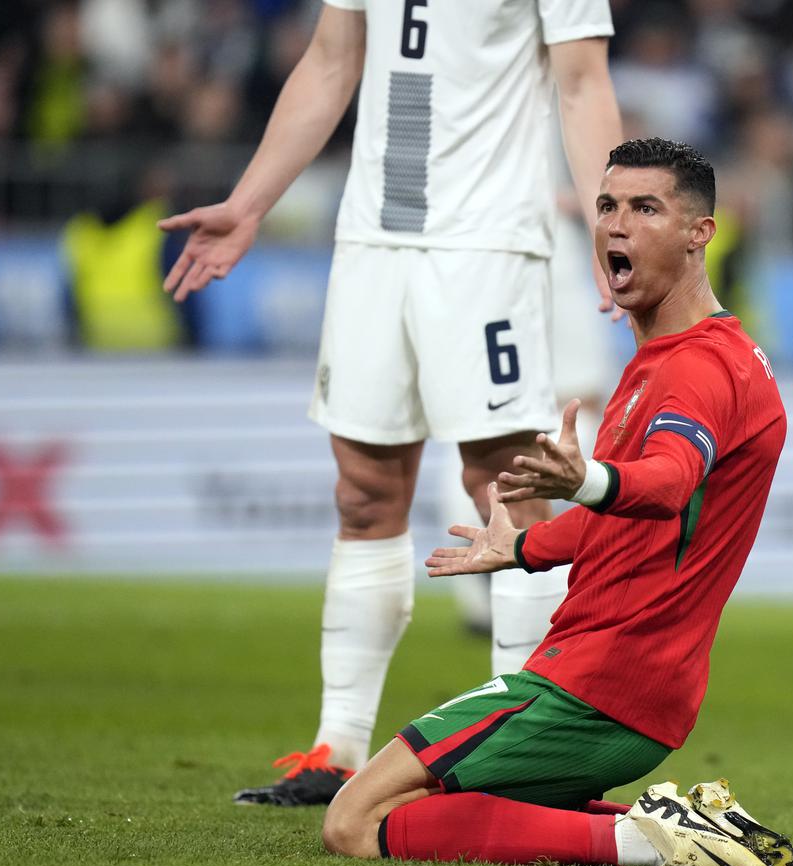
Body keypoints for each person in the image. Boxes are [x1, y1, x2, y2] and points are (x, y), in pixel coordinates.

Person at [158, 1, 624, 805]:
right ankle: (336, 749)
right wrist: (250, 203)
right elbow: (332, 60)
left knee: (511, 485)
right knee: (363, 489)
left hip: (485, 241)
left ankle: (522, 754)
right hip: (373, 239)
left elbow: (581, 82)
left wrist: (610, 218)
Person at [318, 138, 793, 866]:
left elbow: (668, 482)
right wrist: (521, 547)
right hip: (625, 686)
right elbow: (633, 517)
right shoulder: (677, 357)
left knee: (354, 822)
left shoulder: (702, 368)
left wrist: (585, 480)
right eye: (607, 205)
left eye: (647, 208)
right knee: (439, 816)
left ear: (699, 232)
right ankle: (689, 827)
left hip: (596, 686)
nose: (616, 225)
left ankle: (646, 843)